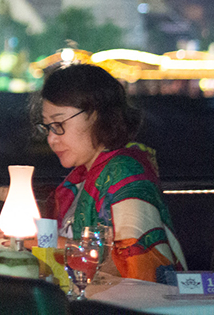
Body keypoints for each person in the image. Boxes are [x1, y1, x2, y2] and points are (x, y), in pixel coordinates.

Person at [32, 62, 186, 282]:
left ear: (96, 115)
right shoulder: (79, 181)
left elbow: (133, 267)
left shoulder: (125, 173)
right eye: (47, 127)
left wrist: (43, 240)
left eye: (58, 123)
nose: (51, 138)